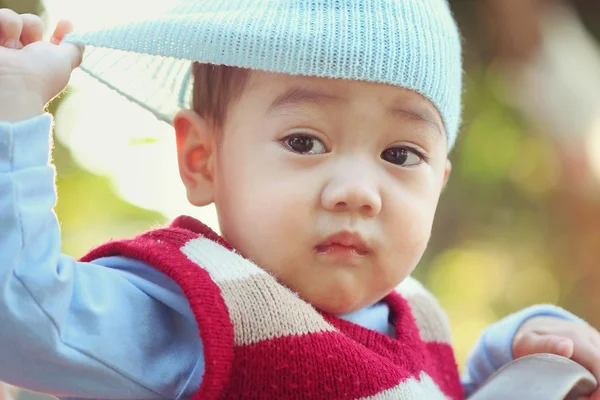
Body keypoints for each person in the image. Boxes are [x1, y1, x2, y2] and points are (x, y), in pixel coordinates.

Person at [0, 1, 599, 399]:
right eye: (305, 141)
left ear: (438, 181)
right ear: (201, 160)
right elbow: (22, 317)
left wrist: (519, 356)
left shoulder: (418, 320)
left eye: (400, 155)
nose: (358, 193)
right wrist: (13, 113)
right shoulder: (197, 313)